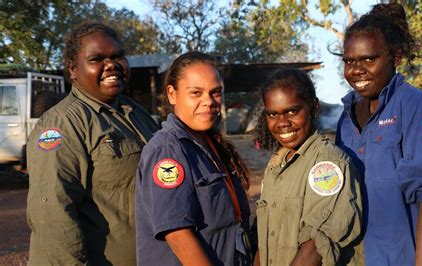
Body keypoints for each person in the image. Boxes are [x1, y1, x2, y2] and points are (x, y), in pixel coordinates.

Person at [336, 3, 422, 265]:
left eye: (369, 59)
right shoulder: (345, 118)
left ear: (395, 58)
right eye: (350, 61)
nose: (357, 70)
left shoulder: (417, 107)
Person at [26, 21, 159, 265]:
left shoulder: (136, 113)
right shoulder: (62, 124)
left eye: (118, 56)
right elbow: (53, 214)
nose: (111, 66)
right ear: (73, 70)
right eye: (97, 59)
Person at [135, 51, 252, 266]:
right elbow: (178, 235)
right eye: (196, 93)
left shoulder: (209, 145)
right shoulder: (168, 150)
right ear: (172, 94)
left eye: (215, 92)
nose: (208, 101)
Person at [254, 68, 364, 266]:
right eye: (273, 114)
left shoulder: (328, 165)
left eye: (292, 111)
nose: (282, 123)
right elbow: (265, 241)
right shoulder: (276, 164)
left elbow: (315, 247)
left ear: (313, 107)